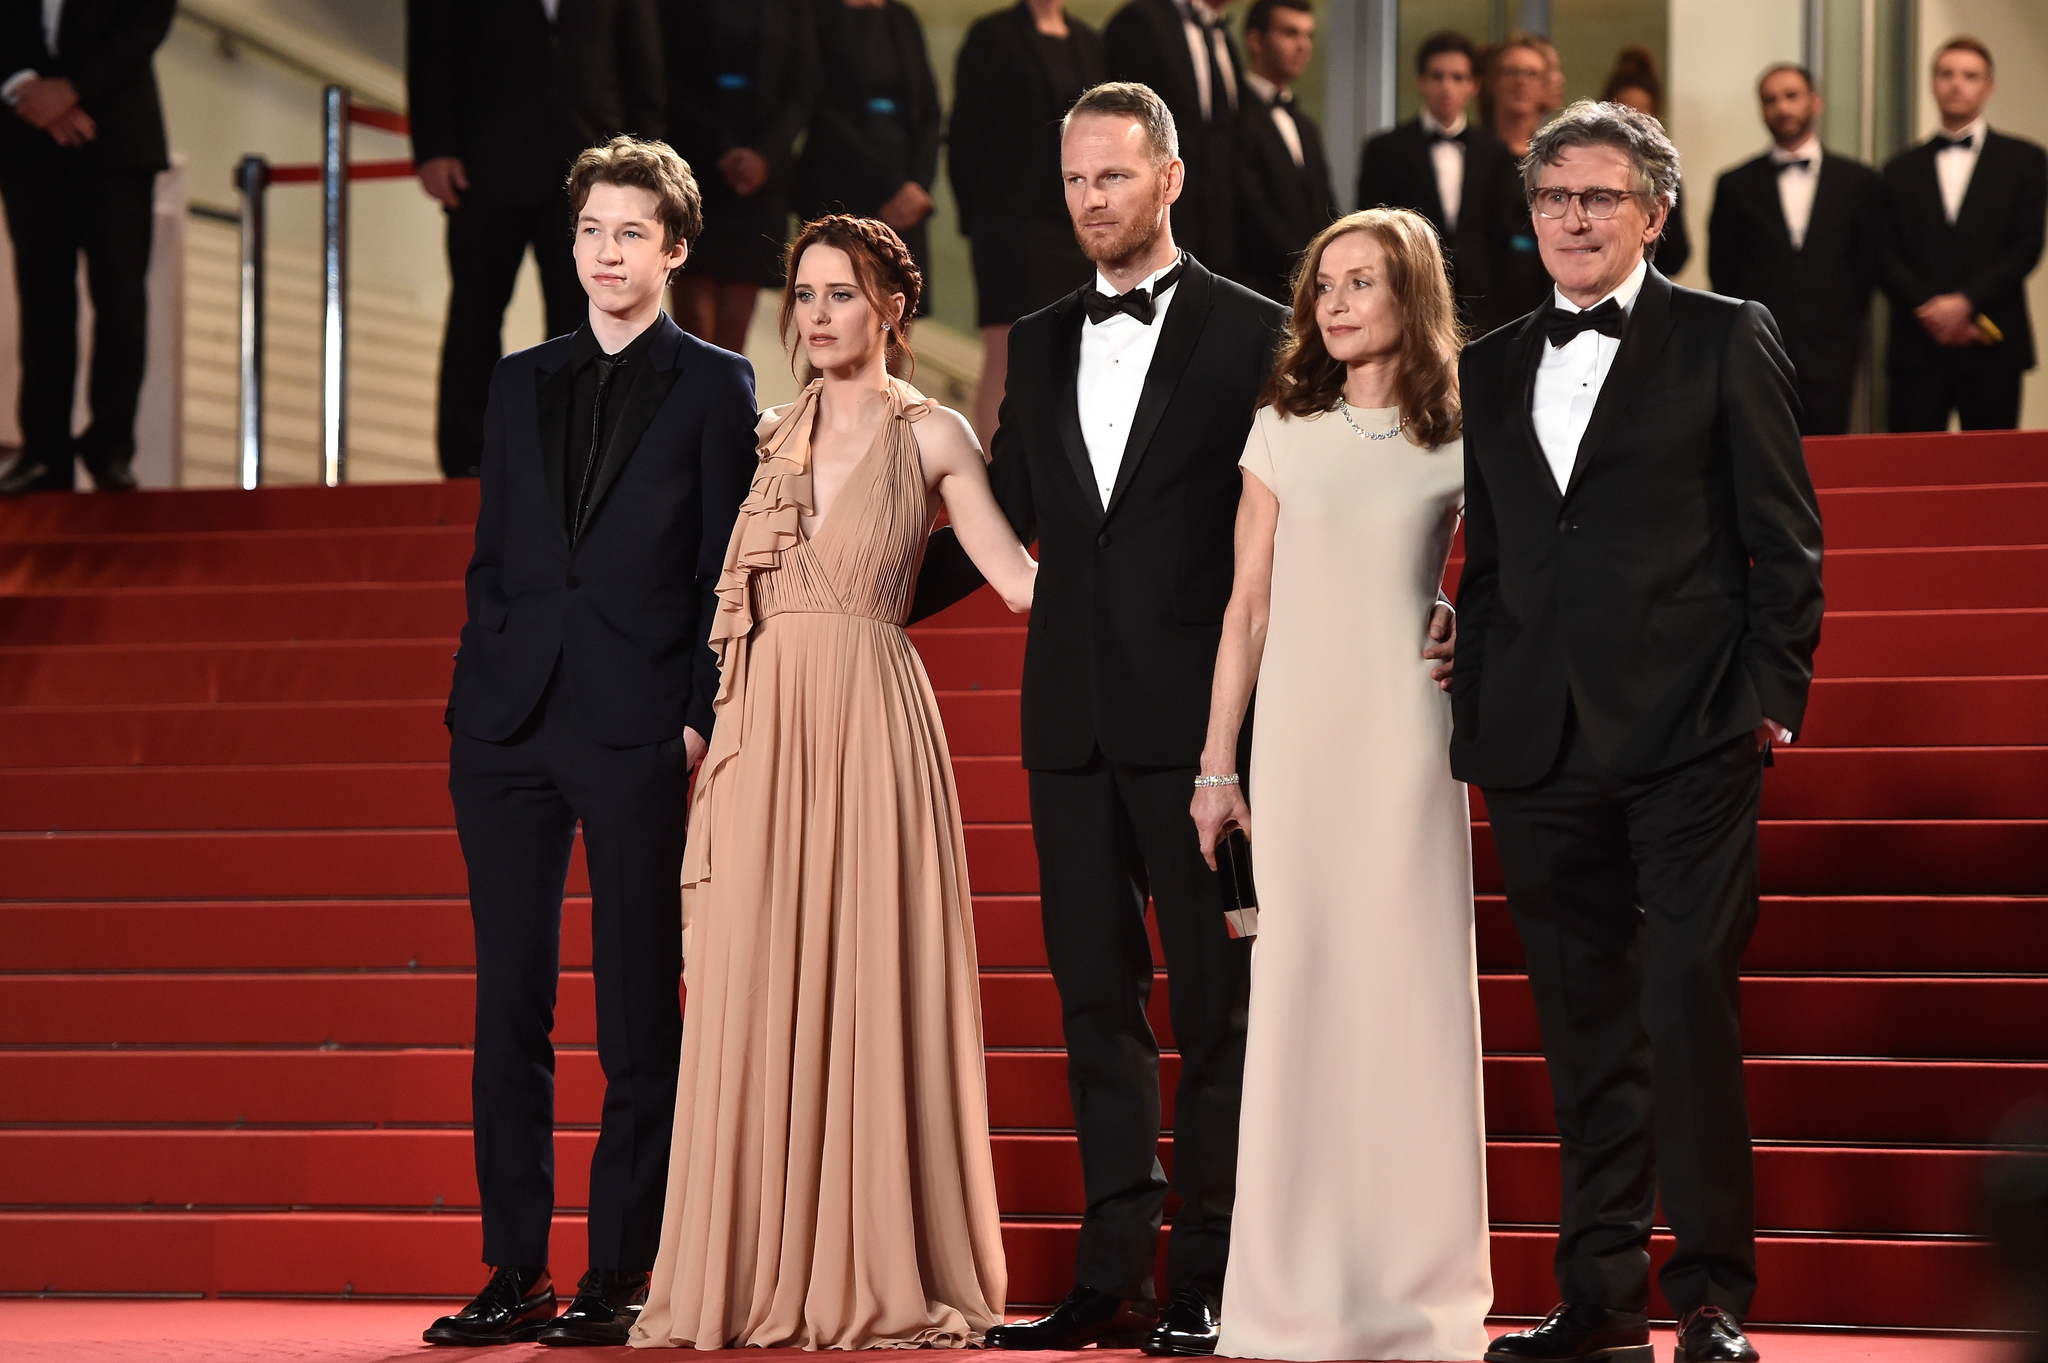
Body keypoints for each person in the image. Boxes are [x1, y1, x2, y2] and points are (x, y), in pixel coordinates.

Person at [911, 80, 1289, 1359]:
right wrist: (859, 599)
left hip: (1204, 739)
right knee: (1093, 1002)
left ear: (1168, 178)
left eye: (1111, 177)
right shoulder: (1043, 331)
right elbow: (1000, 503)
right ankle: (1109, 1271)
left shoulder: (1255, 333)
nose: (1088, 201)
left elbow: (1288, 527)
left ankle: (1209, 1277)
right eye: (1073, 181)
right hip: (1065, 720)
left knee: (1218, 1004)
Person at [1456, 102, 1823, 1363]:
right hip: (1535, 741)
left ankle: (1711, 1295)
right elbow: (1495, 557)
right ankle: (1598, 1294)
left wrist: (1769, 693)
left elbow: (1783, 534)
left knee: (1682, 1000)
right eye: (1552, 196)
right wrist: (1478, 704)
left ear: (1654, 213)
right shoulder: (1491, 357)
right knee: (1580, 1023)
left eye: (1597, 197)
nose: (1569, 216)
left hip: (1690, 731)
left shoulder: (1726, 335)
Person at [631, 213, 1031, 1350]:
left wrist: (1181, 597)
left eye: (839, 294)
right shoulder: (765, 436)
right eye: (803, 294)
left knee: (866, 974)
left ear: (890, 310)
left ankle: (870, 1261)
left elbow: (1012, 581)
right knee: (752, 977)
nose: (815, 315)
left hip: (869, 720)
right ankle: (745, 1264)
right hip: (761, 726)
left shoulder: (939, 432)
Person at [427, 136, 759, 1348]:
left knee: (634, 1014)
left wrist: (693, 718)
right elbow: (494, 553)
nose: (606, 253)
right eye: (589, 232)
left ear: (674, 249)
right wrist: (482, 676)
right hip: (506, 723)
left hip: (636, 728)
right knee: (506, 1005)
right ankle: (511, 1266)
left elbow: (729, 574)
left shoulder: (719, 386)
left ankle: (617, 1274)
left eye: (630, 233)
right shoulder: (519, 380)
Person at [1192, 208, 1486, 1361]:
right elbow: (1246, 607)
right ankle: (1287, 1291)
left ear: (1410, 294)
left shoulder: (1463, 432)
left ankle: (1415, 1288)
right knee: (1304, 994)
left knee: (1406, 1000)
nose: (1335, 302)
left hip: (1409, 739)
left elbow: (1519, 571)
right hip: (1300, 745)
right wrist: (1218, 762)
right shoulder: (1280, 429)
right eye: (1324, 286)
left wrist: (1468, 615)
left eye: (1361, 282)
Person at [408, 0, 666, 479]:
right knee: (475, 314)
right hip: (484, 165)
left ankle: (581, 457)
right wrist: (434, 146)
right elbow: (430, 47)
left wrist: (647, 172)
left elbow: (642, 66)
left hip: (594, 173)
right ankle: (468, 461)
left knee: (590, 321)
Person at [0, 0, 175, 497]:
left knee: (119, 300)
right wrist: (25, 90)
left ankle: (110, 449)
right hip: (27, 136)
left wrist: (71, 91)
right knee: (42, 301)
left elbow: (146, 23)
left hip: (117, 133)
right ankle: (43, 454)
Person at [950, 0, 1109, 444]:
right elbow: (966, 134)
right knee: (1008, 355)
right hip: (1009, 223)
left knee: (1070, 356)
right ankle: (1000, 489)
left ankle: (1053, 491)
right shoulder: (993, 35)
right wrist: (981, 222)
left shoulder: (1090, 42)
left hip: (1078, 223)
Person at [1880, 35, 2047, 433]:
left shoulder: (2025, 160)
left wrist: (1965, 303)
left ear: (1989, 87)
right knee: (1912, 473)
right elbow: (1882, 253)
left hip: (1992, 339)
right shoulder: (1897, 169)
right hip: (1917, 344)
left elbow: (2026, 246)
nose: (1957, 84)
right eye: (1946, 74)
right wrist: (1930, 307)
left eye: (1970, 76)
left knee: (1992, 472)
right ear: (1932, 83)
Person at [1709, 63, 1883, 437]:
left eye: (1792, 96)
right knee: (1759, 447)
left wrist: (1844, 321)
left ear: (1815, 102)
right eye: (1771, 100)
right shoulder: (1734, 184)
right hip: (1759, 346)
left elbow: (1869, 263)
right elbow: (1722, 270)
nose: (1782, 108)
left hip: (1833, 346)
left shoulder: (1859, 181)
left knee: (1829, 455)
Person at [660, 0, 818, 354]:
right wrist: (722, 150)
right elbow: (666, 74)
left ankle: (726, 409)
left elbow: (804, 86)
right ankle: (690, 409)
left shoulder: (795, 8)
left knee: (733, 339)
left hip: (762, 177)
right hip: (695, 167)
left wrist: (764, 156)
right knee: (692, 336)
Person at [1356, 30, 1524, 334]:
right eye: (1437, 76)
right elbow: (1372, 231)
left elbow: (1503, 235)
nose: (1447, 87)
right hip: (1409, 295)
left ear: (1474, 85)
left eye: (1458, 78)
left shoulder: (1494, 152)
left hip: (1483, 304)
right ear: (1421, 81)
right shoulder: (1385, 149)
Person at [796, 0, 942, 315]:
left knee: (896, 322)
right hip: (839, 185)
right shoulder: (815, 13)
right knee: (831, 325)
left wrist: (919, 183)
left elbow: (929, 109)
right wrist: (891, 186)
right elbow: (817, 107)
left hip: (906, 195)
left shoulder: (902, 18)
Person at [1106, 0, 1244, 283]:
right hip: (1162, 220)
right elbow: (1121, 123)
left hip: (1218, 232)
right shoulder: (1140, 21)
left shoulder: (1221, 37)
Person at [1232, 0, 1335, 304]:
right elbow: (1252, 210)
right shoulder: (1235, 115)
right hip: (1256, 288)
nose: (1303, 46)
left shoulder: (1305, 125)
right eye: (1290, 33)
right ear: (1255, 40)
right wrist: (1311, 268)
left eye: (1308, 35)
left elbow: (1326, 208)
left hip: (1311, 292)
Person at [1480, 33, 1557, 324]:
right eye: (1511, 72)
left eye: (1532, 74)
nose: (1521, 82)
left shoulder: (1558, 158)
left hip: (1547, 304)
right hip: (1480, 308)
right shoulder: (1472, 153)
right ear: (1493, 82)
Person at [1600, 46, 1689, 277]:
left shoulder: (1667, 182)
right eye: (1623, 116)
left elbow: (1676, 257)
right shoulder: (1584, 178)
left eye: (1642, 117)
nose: (1632, 127)